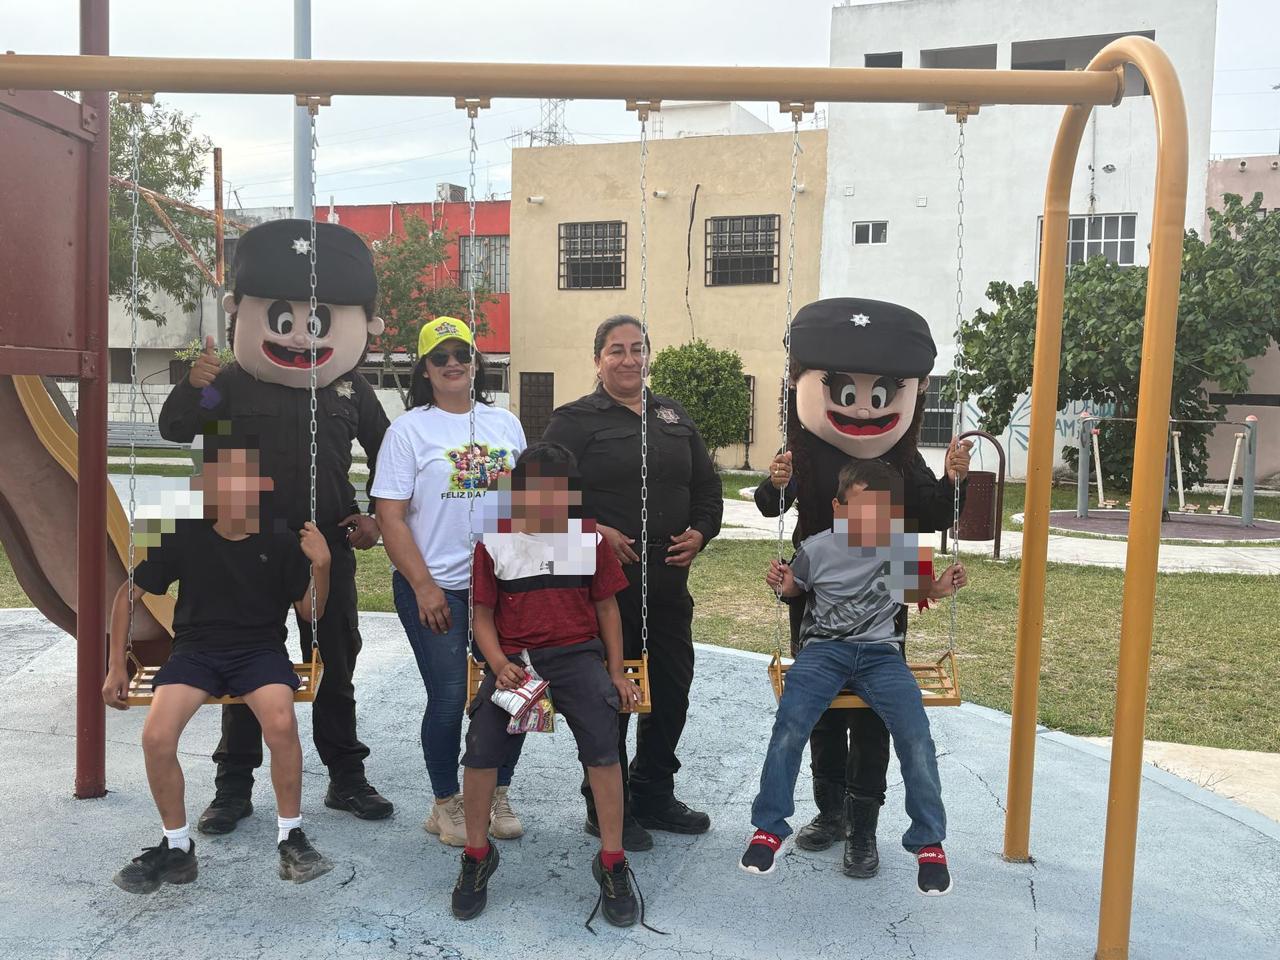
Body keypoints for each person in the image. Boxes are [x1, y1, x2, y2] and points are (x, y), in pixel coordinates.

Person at [159, 219, 393, 831]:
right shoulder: (228, 385)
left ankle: (346, 776)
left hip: (325, 548)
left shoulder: (350, 388)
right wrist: (191, 386)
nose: (299, 332)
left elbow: (390, 454)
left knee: (335, 660)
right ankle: (233, 788)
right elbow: (176, 429)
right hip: (242, 551)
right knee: (242, 662)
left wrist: (374, 517)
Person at [753, 296, 969, 878]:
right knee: (820, 714)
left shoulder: (899, 458)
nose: (867, 406)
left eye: (883, 392)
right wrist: (775, 483)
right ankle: (830, 812)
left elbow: (934, 513)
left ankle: (864, 826)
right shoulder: (805, 451)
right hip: (817, 600)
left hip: (879, 611)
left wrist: (953, 480)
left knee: (873, 720)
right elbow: (774, 505)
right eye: (848, 391)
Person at [102, 433, 334, 893]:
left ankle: (291, 837)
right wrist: (114, 664)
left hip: (260, 650)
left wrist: (322, 566)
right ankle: (176, 847)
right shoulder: (185, 534)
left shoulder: (280, 539)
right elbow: (127, 594)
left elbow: (311, 613)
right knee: (155, 736)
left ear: (259, 486)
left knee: (281, 723)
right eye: (221, 479)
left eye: (242, 479)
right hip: (195, 652)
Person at [742, 458, 966, 896]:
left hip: (881, 655)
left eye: (881, 512)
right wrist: (783, 583)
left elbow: (919, 591)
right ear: (839, 508)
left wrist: (941, 586)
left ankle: (929, 842)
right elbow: (795, 586)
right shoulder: (817, 548)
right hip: (824, 651)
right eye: (861, 510)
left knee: (916, 735)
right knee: (790, 726)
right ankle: (769, 827)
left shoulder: (899, 547)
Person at [543, 314, 723, 850]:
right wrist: (594, 529)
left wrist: (701, 532)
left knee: (671, 690)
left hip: (667, 585)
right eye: (616, 350)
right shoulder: (573, 420)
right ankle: (606, 804)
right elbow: (540, 498)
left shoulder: (673, 416)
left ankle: (653, 792)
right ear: (597, 359)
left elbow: (707, 488)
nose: (629, 359)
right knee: (610, 693)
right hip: (604, 590)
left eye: (637, 348)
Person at [452, 442, 648, 927]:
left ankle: (612, 860)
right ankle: (476, 854)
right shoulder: (494, 542)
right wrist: (498, 663)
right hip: (516, 659)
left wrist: (616, 671)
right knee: (480, 747)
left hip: (577, 655)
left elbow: (607, 609)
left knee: (603, 745)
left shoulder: (588, 539)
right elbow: (482, 616)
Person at [373, 317, 527, 846]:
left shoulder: (505, 424)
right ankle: (446, 803)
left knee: (513, 690)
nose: (453, 363)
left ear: (476, 361)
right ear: (425, 369)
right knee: (447, 697)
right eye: (440, 357)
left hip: (501, 585)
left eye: (462, 353)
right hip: (437, 585)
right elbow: (390, 517)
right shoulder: (408, 431)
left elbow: (523, 504)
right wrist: (424, 586)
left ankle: (498, 790)